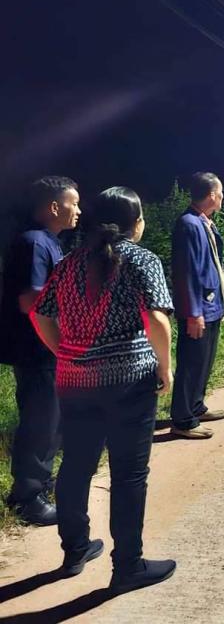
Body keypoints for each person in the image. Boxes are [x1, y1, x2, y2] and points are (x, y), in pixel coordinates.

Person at [31, 186, 176, 590]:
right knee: (129, 473)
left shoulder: (69, 263)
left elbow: (40, 315)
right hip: (128, 381)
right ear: (135, 223)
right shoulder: (141, 259)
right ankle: (127, 566)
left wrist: (68, 352)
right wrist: (166, 368)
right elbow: (158, 320)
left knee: (76, 465)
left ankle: (75, 549)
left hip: (74, 381)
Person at [0, 176, 80, 526]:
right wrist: (61, 344)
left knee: (50, 420)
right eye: (73, 203)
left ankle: (39, 486)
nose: (79, 210)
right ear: (54, 206)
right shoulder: (35, 243)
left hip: (45, 350)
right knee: (40, 421)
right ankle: (28, 498)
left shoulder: (49, 242)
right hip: (37, 351)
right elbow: (30, 301)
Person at [170, 172, 224, 438]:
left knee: (204, 361)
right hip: (199, 309)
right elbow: (187, 272)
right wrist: (193, 313)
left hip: (211, 306)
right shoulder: (189, 225)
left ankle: (196, 406)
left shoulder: (203, 222)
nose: (223, 197)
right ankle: (183, 420)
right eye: (220, 192)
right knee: (191, 363)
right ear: (212, 195)